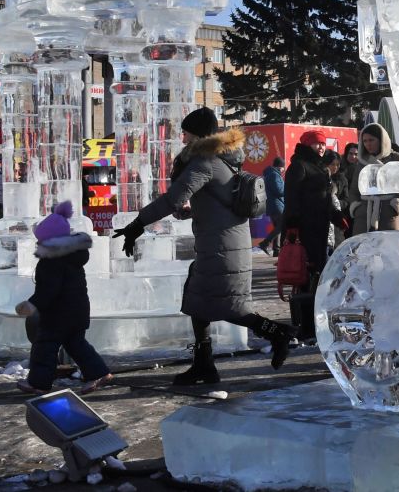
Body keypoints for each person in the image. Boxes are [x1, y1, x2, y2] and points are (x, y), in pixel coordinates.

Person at [113, 107, 295, 386]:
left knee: (232, 308)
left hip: (222, 245)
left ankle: (277, 332)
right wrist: (190, 212)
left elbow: (172, 199)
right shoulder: (224, 159)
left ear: (197, 134)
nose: (183, 139)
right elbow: (214, 200)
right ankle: (203, 364)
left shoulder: (204, 162)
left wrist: (137, 224)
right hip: (222, 241)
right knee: (196, 301)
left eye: (185, 133)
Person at [15, 201, 113, 395]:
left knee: (44, 346)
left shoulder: (52, 261)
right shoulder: (72, 256)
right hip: (77, 310)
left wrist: (31, 305)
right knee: (76, 344)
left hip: (58, 315)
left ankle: (38, 383)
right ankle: (99, 373)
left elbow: (48, 291)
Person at [283, 130, 347, 289]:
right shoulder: (298, 166)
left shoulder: (320, 167)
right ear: (307, 144)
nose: (321, 147)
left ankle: (314, 304)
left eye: (323, 144)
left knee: (320, 271)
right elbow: (291, 198)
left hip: (321, 227)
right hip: (305, 228)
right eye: (317, 143)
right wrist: (292, 225)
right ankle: (304, 308)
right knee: (305, 271)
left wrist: (337, 217)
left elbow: (323, 198)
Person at [347, 123, 399, 234]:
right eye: (365, 141)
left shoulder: (397, 158)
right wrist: (356, 207)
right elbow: (354, 189)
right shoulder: (362, 161)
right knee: (364, 250)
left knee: (388, 249)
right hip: (363, 216)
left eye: (371, 140)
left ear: (381, 140)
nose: (368, 144)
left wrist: (396, 206)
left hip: (388, 216)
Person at [258, 156, 286, 257]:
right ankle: (265, 243)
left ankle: (276, 250)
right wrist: (288, 189)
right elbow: (279, 191)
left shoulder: (269, 174)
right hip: (277, 205)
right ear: (280, 167)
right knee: (282, 226)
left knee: (277, 228)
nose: (283, 170)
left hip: (272, 205)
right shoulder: (274, 175)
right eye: (283, 167)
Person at [323, 150, 348, 250]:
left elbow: (346, 200)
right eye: (332, 164)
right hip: (324, 218)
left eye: (337, 165)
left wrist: (336, 203)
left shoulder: (342, 179)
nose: (335, 167)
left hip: (338, 218)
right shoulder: (322, 177)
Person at [340, 143, 359, 236]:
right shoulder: (339, 166)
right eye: (350, 153)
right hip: (342, 206)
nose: (353, 156)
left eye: (356, 154)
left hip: (355, 206)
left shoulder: (360, 169)